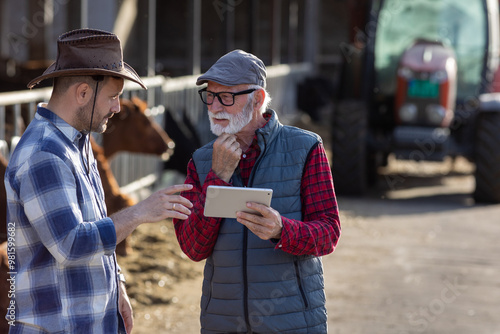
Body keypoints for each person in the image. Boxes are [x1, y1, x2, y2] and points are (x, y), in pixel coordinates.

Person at [4, 29, 193, 334]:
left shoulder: (78, 143)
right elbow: (71, 244)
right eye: (113, 97)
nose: (118, 108)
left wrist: (116, 284)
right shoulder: (45, 155)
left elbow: (95, 223)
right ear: (82, 93)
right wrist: (139, 212)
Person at [173, 49, 341, 333]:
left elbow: (328, 234)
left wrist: (281, 230)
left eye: (226, 97)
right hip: (222, 323)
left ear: (258, 99)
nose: (214, 107)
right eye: (211, 96)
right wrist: (219, 177)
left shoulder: (306, 148)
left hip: (293, 322)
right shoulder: (201, 161)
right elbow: (193, 248)